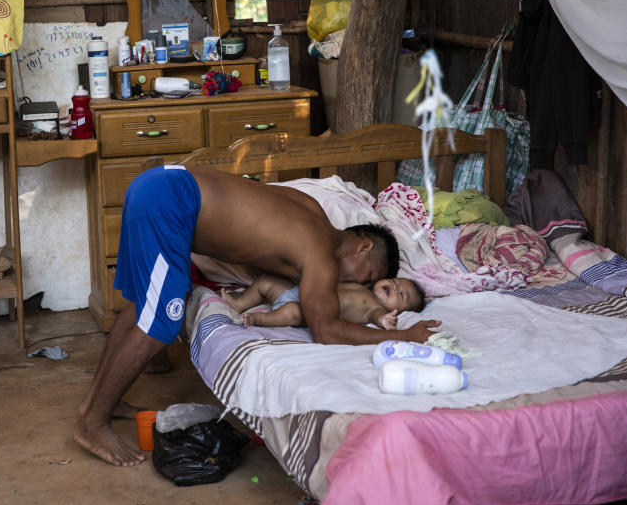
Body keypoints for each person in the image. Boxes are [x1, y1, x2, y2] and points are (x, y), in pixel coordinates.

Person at [74, 165, 441, 467]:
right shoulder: (321, 255)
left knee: (144, 307)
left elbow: (254, 233)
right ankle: (91, 423)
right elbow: (326, 331)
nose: (362, 287)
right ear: (363, 247)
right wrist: (404, 337)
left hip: (162, 183)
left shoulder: (310, 210)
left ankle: (99, 402)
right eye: (370, 277)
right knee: (161, 325)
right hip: (172, 202)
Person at [221, 274, 426, 329]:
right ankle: (239, 304)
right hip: (298, 291)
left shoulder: (373, 307)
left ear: (398, 312)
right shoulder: (362, 286)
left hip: (308, 309)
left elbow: (376, 316)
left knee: (292, 312)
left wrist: (383, 320)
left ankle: (260, 320)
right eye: (395, 281)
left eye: (401, 295)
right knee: (266, 281)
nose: (396, 287)